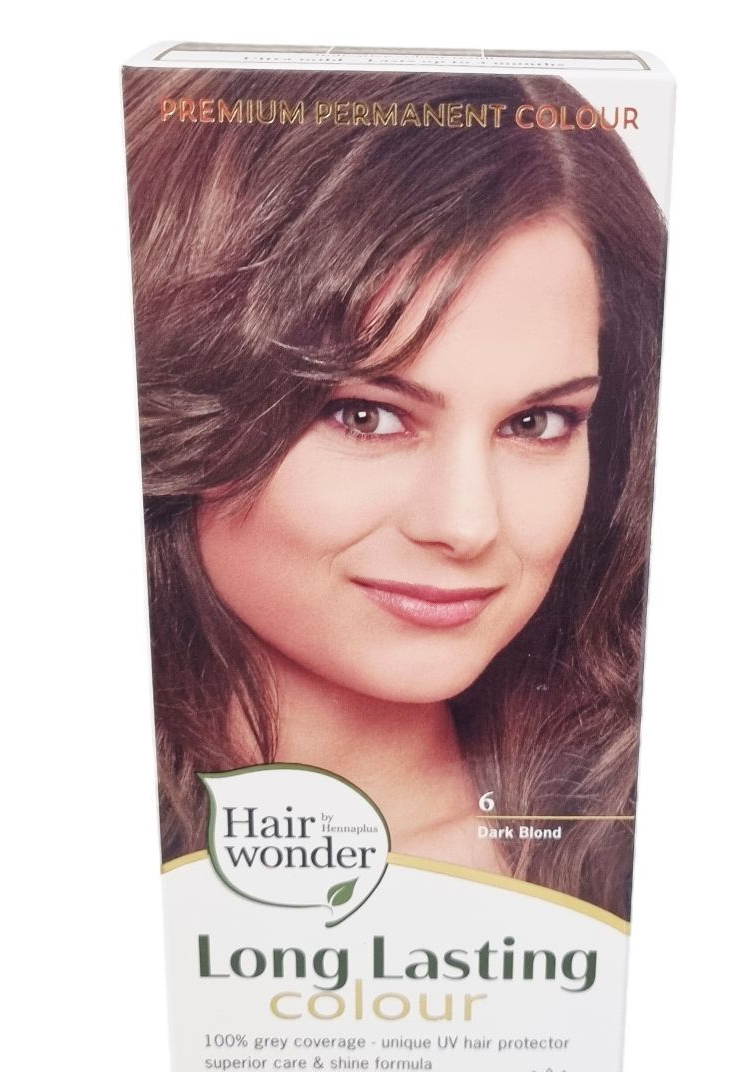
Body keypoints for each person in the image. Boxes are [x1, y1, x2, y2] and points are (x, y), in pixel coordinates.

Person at [124, 67, 667, 920]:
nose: (466, 525)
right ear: (185, 398)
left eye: (536, 424)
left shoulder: (635, 852)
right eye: (366, 415)